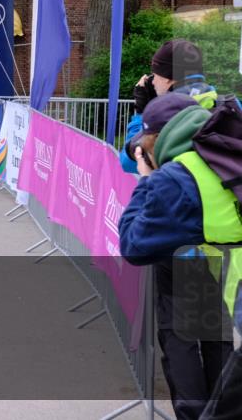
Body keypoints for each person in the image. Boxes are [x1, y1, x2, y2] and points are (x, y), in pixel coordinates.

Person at [118, 94, 238, 419]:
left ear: (157, 139)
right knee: (219, 349)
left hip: (193, 276)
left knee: (182, 346)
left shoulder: (175, 179)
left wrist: (146, 181)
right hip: (224, 278)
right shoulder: (224, 152)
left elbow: (133, 245)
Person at [120, 39, 218, 173]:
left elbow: (128, 161)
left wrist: (142, 113)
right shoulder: (229, 104)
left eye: (154, 75)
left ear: (168, 78)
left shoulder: (168, 116)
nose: (152, 82)